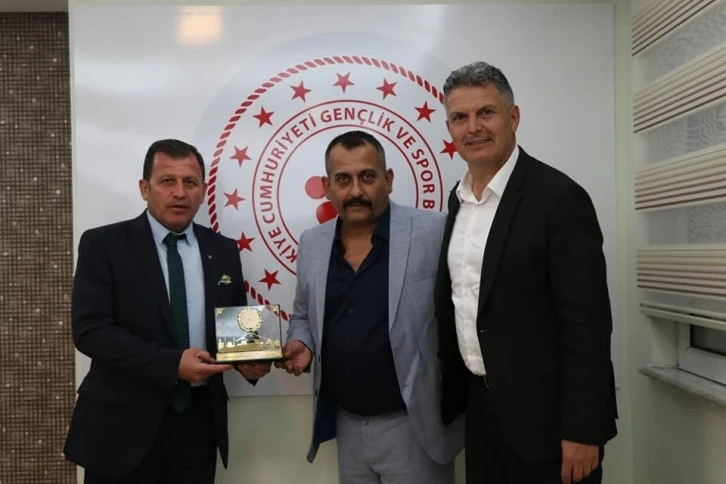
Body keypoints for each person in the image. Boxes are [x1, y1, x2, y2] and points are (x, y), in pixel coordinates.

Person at [434, 62, 618, 484]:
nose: (473, 127)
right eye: (460, 117)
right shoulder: (458, 201)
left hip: (550, 425)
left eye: (486, 112)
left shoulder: (560, 199)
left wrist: (584, 429)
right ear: (449, 128)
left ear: (513, 117)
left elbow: (588, 326)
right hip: (481, 414)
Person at [64, 139, 271, 483]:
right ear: (145, 188)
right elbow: (91, 331)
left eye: (190, 182)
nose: (180, 193)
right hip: (120, 427)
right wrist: (172, 364)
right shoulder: (103, 245)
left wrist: (250, 360)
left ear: (202, 192)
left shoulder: (222, 250)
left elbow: (235, 327)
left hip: (197, 427)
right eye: (167, 181)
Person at [278, 130, 464, 484]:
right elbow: (302, 314)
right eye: (343, 179)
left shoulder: (435, 231)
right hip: (347, 425)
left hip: (414, 424)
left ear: (388, 179)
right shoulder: (312, 243)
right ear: (326, 186)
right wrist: (302, 342)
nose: (356, 192)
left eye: (367, 176)